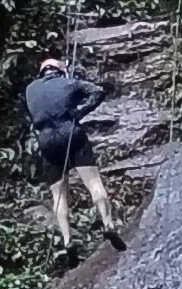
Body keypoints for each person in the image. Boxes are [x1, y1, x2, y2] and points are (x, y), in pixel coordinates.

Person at [25, 57, 127, 267]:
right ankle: (108, 224)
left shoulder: (30, 89)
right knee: (94, 184)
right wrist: (80, 111)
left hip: (46, 142)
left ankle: (68, 240)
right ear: (60, 70)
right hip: (72, 133)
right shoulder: (69, 83)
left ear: (42, 71)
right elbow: (98, 92)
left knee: (59, 195)